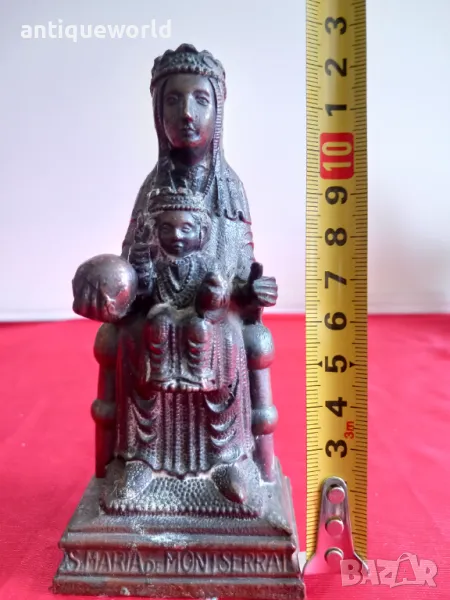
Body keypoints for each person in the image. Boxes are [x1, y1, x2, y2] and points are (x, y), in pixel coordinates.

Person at [73, 44, 280, 508]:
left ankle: (229, 459)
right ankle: (140, 459)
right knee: (138, 336)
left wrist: (251, 292)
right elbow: (132, 270)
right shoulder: (151, 190)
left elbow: (242, 273)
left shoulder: (231, 191)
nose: (186, 113)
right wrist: (110, 286)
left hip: (216, 316)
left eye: (200, 100)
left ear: (218, 112)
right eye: (173, 100)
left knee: (226, 339)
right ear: (157, 112)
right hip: (157, 311)